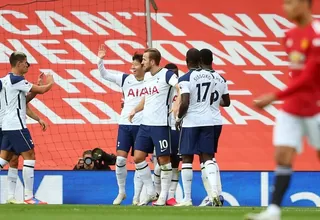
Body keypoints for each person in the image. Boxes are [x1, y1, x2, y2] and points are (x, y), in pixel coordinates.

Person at [246, 0, 320, 219]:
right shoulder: (289, 37)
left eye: (290, 3)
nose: (285, 7)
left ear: (307, 5)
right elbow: (298, 76)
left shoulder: (317, 35)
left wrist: (275, 96)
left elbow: (309, 77)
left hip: (315, 107)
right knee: (282, 155)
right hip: (293, 107)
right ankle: (274, 210)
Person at [0, 51, 54, 204]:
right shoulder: (17, 79)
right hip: (16, 125)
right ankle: (29, 197)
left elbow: (22, 102)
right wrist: (50, 82)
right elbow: (42, 90)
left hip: (7, 124)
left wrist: (38, 118)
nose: (27, 65)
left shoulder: (5, 80)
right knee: (30, 155)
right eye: (25, 62)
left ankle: (14, 197)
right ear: (18, 64)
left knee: (5, 159)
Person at [129, 48, 180, 206]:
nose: (142, 62)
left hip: (160, 126)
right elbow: (147, 98)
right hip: (145, 125)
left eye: (144, 59)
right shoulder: (148, 77)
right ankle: (151, 192)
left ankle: (163, 196)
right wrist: (135, 109)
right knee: (138, 158)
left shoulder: (167, 74)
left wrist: (177, 103)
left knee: (164, 161)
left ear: (152, 61)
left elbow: (180, 88)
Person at [97, 45, 145, 205]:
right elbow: (104, 75)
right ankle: (121, 192)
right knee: (120, 160)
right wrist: (100, 59)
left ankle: (137, 196)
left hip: (142, 125)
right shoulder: (126, 79)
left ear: (143, 66)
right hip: (125, 124)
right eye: (131, 64)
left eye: (135, 65)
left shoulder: (152, 81)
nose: (132, 67)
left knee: (140, 161)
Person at [175, 48, 221, 207]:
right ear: (200, 60)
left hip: (191, 122)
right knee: (208, 157)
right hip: (208, 120)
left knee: (187, 158)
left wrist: (178, 117)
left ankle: (187, 199)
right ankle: (214, 192)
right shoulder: (210, 75)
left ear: (187, 61)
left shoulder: (185, 78)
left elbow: (185, 102)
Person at [199, 48, 230, 206]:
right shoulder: (221, 78)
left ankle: (214, 195)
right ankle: (216, 193)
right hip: (217, 120)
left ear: (201, 60)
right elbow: (227, 102)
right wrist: (215, 102)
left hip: (203, 120)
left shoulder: (200, 78)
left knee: (206, 158)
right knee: (209, 156)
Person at [153, 63, 181, 206]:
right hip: (162, 127)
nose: (173, 75)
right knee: (161, 163)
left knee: (175, 163)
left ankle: (170, 196)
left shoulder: (182, 88)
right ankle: (158, 193)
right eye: (171, 73)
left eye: (175, 73)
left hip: (178, 129)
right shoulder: (160, 88)